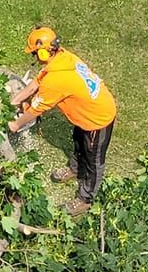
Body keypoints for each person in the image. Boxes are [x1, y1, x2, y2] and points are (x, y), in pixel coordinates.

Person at [11, 26, 117, 212]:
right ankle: (76, 169)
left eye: (35, 54)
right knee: (78, 142)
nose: (35, 58)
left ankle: (85, 199)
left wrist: (16, 124)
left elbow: (36, 108)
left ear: (44, 52)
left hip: (97, 118)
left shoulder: (57, 79)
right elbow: (37, 81)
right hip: (83, 115)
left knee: (94, 159)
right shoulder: (63, 58)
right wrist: (17, 98)